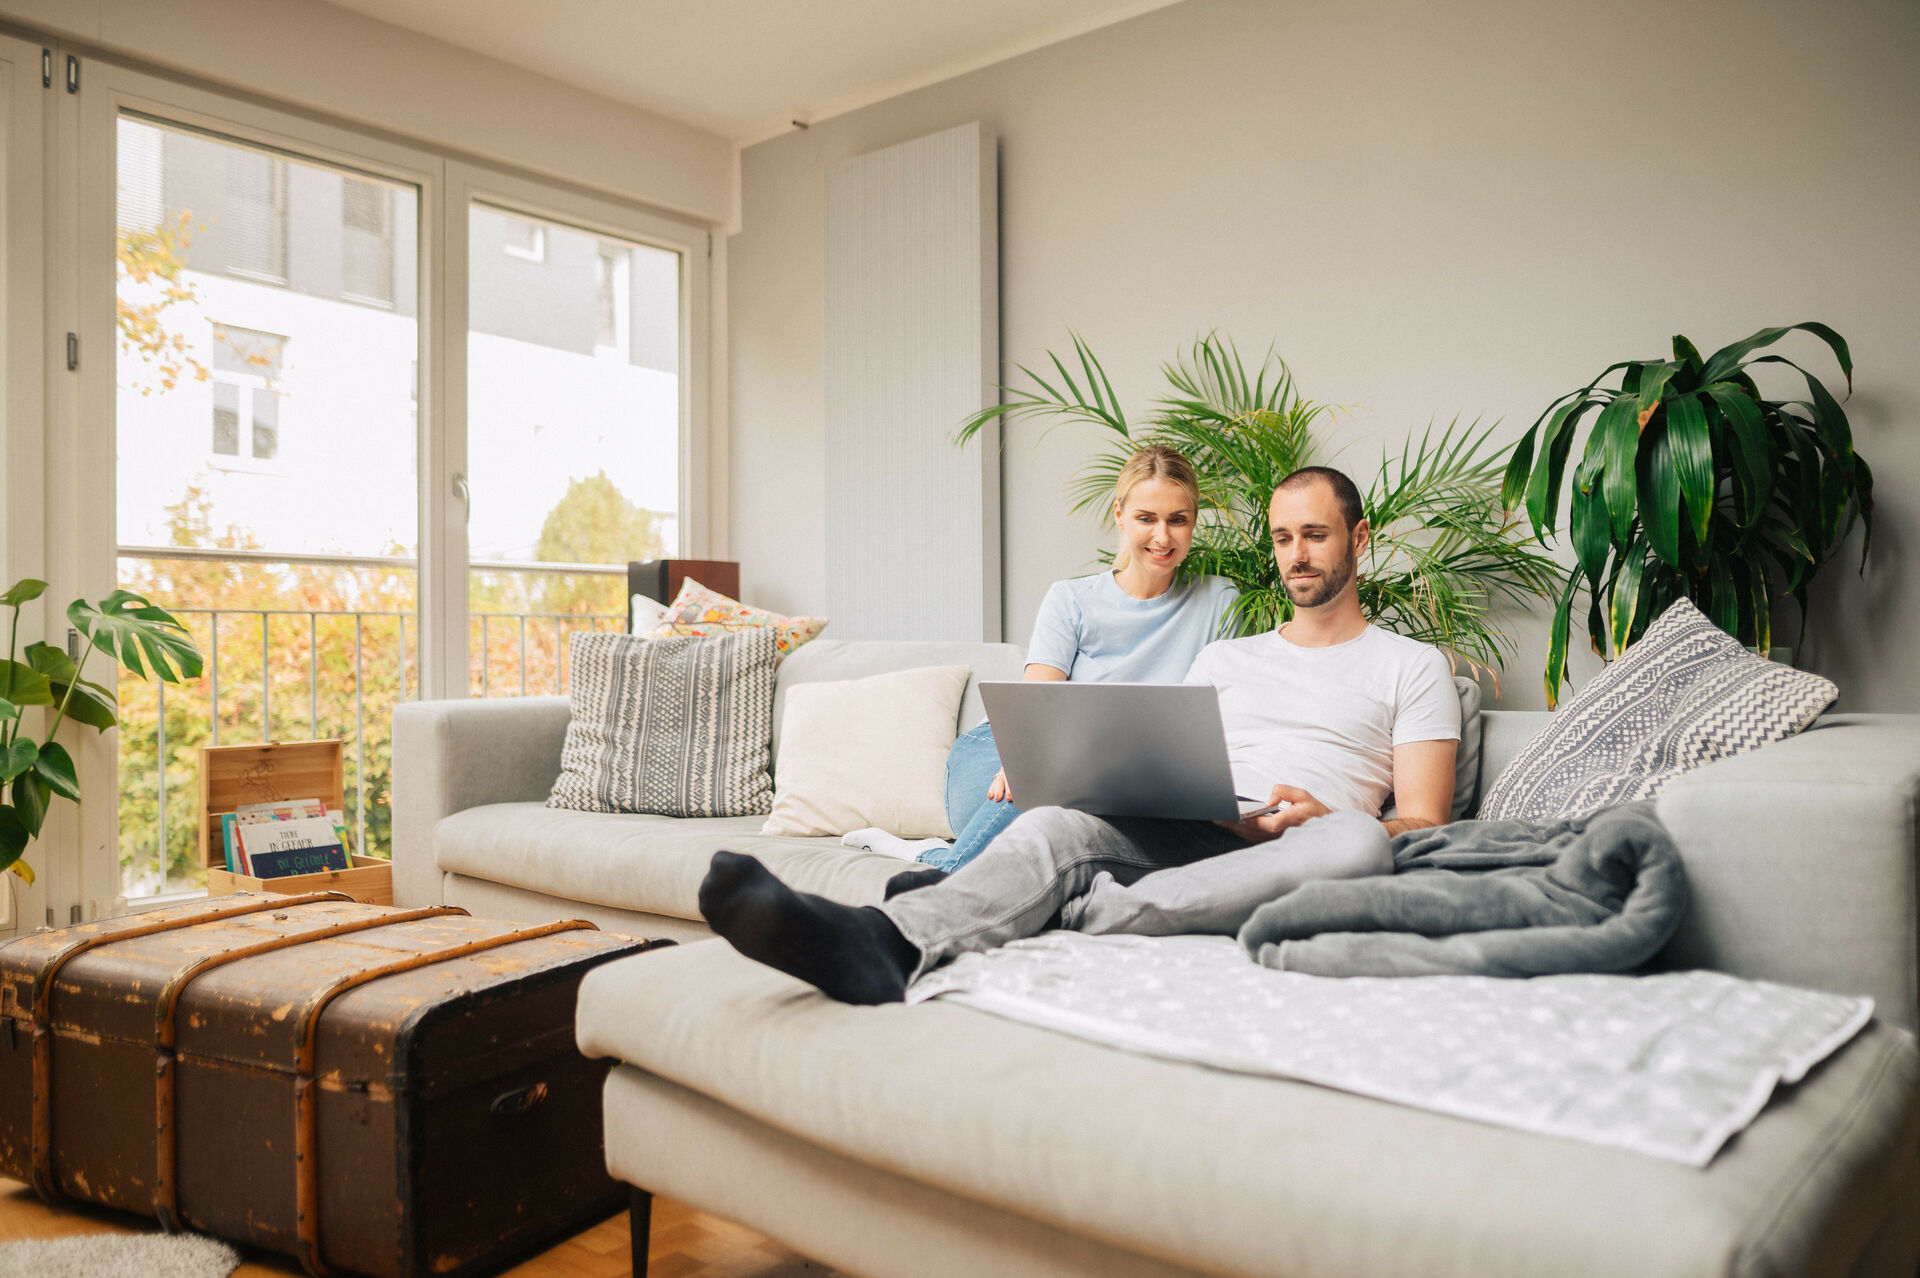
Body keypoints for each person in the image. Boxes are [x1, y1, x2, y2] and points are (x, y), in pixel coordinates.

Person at [698, 465, 1461, 1005]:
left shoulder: (1411, 666)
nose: (1296, 555)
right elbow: (1174, 754)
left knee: (1360, 845)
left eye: (1316, 535)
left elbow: (1422, 824)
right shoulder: (1227, 655)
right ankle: (879, 941)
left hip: (1308, 846)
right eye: (1283, 537)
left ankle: (1089, 911)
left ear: (1358, 539)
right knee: (1058, 822)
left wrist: (1324, 818)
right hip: (1202, 830)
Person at [910, 443, 1237, 883]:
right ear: (1119, 515)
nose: (1162, 537)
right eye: (1146, 518)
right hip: (1002, 758)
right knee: (1057, 782)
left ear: (1193, 522)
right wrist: (1027, 763)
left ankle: (935, 863)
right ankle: (939, 872)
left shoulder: (1220, 601)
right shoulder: (1071, 599)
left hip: (1127, 780)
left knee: (1083, 811)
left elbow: (1225, 719)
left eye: (1177, 520)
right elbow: (1035, 714)